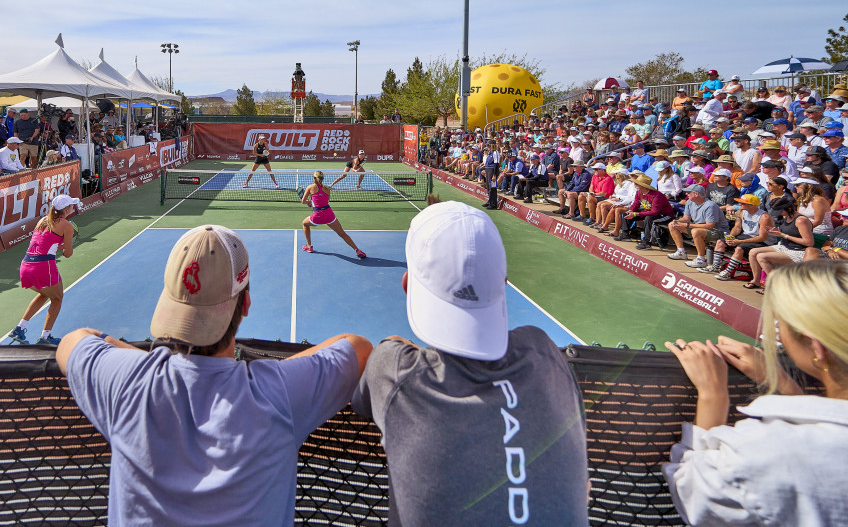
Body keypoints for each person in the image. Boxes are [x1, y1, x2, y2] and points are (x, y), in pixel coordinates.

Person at [56, 224, 371, 526]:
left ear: (168, 303)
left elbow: (74, 341)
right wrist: (277, 371)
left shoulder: (125, 382)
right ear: (245, 304)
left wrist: (144, 361)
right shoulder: (278, 392)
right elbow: (356, 348)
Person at [352, 201, 589, 526]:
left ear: (407, 285)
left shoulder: (394, 370)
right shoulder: (543, 350)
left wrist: (395, 350)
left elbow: (361, 395)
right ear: (504, 285)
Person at [663, 261, 848, 527]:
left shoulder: (768, 450)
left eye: (781, 323)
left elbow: (696, 495)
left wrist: (712, 393)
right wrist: (785, 386)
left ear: (817, 349)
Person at [8, 195, 81, 346]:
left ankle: (19, 328)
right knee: (57, 298)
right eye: (72, 205)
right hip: (43, 267)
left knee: (44, 293)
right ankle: (45, 338)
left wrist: (56, 246)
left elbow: (43, 243)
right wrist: (66, 247)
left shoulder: (42, 220)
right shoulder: (67, 225)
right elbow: (68, 254)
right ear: (66, 209)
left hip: (26, 266)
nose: (73, 207)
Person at [300, 170, 366, 258]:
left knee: (304, 223)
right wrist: (313, 203)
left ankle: (309, 247)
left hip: (317, 216)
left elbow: (303, 201)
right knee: (342, 233)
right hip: (329, 215)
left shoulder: (310, 187)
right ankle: (357, 250)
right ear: (323, 179)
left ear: (314, 179)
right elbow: (325, 201)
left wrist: (308, 203)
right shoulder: (327, 189)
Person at [667, 184, 730, 269]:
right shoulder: (689, 202)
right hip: (700, 228)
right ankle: (681, 252)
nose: (686, 194)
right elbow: (686, 218)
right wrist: (678, 221)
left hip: (718, 231)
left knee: (696, 231)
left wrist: (687, 225)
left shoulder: (710, 206)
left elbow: (710, 226)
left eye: (689, 192)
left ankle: (701, 260)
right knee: (672, 225)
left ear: (696, 194)